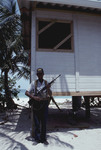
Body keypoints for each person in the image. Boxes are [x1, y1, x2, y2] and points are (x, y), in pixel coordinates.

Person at [25, 68, 52, 144]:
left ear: (43, 74)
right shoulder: (34, 83)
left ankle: (43, 138)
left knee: (44, 122)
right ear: (37, 75)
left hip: (44, 104)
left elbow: (50, 94)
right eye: (38, 74)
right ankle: (37, 138)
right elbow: (27, 92)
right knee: (37, 123)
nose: (40, 75)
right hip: (36, 104)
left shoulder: (46, 83)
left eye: (41, 74)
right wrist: (34, 97)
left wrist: (48, 88)